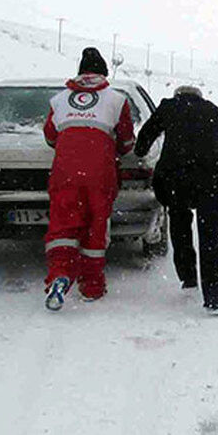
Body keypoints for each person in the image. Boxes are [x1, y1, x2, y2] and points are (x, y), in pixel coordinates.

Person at [41, 47, 135, 311]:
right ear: (104, 73)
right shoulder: (117, 99)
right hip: (100, 173)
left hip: (65, 171)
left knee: (62, 225)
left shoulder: (58, 100)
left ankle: (59, 274)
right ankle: (92, 286)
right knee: (95, 225)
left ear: (80, 72)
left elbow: (50, 137)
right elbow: (126, 141)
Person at [135, 84, 218, 315]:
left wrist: (140, 152)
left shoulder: (169, 107)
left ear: (177, 95)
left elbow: (147, 135)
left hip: (176, 177)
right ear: (200, 97)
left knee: (180, 223)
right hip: (211, 178)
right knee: (213, 233)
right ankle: (214, 296)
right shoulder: (215, 111)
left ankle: (188, 277)